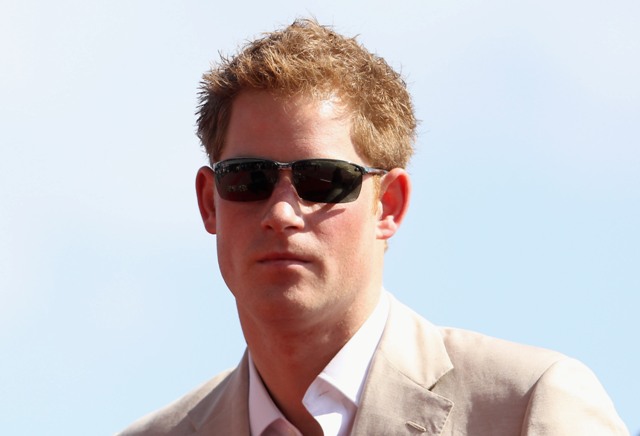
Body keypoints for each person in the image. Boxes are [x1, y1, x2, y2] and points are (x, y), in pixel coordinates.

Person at [119, 19, 628, 435]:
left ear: (389, 205)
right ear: (209, 202)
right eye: (248, 178)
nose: (281, 213)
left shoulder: (530, 405)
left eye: (323, 179)